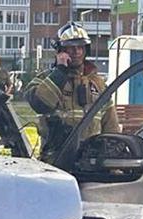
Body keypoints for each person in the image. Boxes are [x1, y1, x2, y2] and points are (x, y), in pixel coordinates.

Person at [25, 22, 119, 162]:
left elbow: (111, 126)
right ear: (60, 51)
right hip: (55, 160)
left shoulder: (98, 84)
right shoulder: (45, 80)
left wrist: (113, 160)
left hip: (90, 162)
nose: (77, 52)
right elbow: (40, 104)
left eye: (80, 47)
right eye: (71, 48)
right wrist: (60, 72)